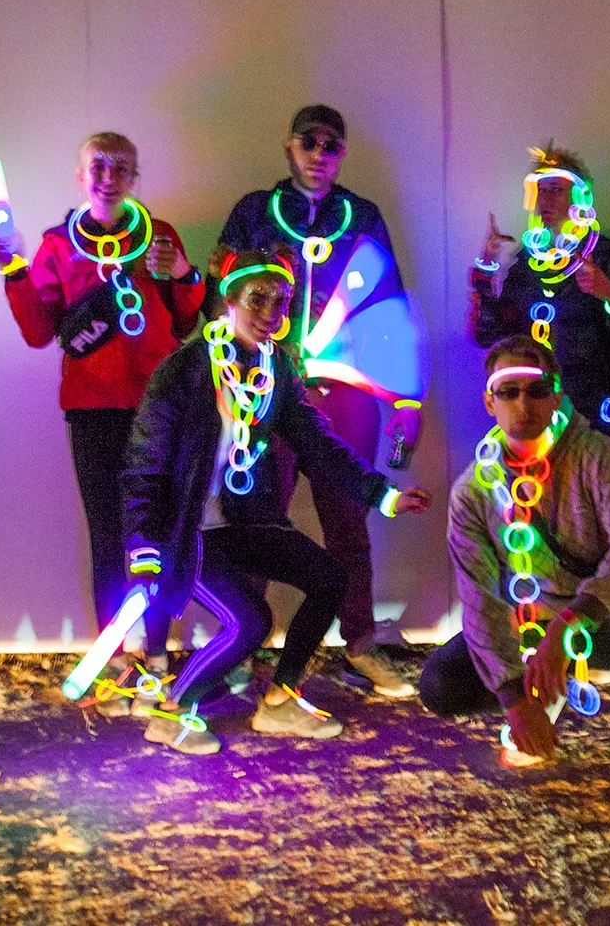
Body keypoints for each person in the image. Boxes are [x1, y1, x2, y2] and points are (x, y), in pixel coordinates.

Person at [122, 249, 431, 755]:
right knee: (251, 622)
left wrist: (383, 494)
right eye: (257, 299)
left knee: (330, 577)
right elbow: (145, 461)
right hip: (187, 530)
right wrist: (143, 543)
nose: (271, 313)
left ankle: (279, 700)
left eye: (281, 301)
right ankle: (170, 711)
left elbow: (318, 444)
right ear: (229, 300)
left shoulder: (277, 369)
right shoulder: (184, 369)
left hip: (245, 522)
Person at [421, 335, 610, 846]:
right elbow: (480, 599)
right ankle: (544, 693)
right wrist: (515, 701)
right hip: (530, 629)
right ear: (489, 401)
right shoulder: (473, 491)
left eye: (536, 390)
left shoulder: (597, 457)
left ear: (556, 394)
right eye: (508, 392)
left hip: (600, 623)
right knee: (440, 684)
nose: (523, 404)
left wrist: (569, 624)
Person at [205, 105, 426, 698]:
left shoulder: (363, 216)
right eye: (309, 141)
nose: (320, 153)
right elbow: (219, 297)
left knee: (348, 520)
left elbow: (388, 306)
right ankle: (239, 645)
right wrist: (230, 377)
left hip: (346, 394)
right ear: (289, 146)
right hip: (264, 389)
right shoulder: (255, 211)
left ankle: (360, 645)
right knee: (255, 520)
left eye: (332, 144)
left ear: (342, 153)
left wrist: (406, 401)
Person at [0, 132, 202, 712]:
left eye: (121, 167)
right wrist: (13, 270)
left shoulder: (160, 236)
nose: (109, 177)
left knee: (158, 533)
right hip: (92, 410)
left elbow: (186, 323)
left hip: (159, 405)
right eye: (98, 166)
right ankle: (112, 662)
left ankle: (156, 659)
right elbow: (39, 332)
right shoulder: (58, 245)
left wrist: (185, 274)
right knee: (109, 537)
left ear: (135, 176)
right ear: (80, 175)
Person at [469, 145, 610, 444]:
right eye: (541, 191)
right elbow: (490, 337)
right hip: (535, 417)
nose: (545, 199)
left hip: (598, 420)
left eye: (556, 189)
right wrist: (486, 275)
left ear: (579, 197)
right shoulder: (526, 265)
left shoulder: (607, 258)